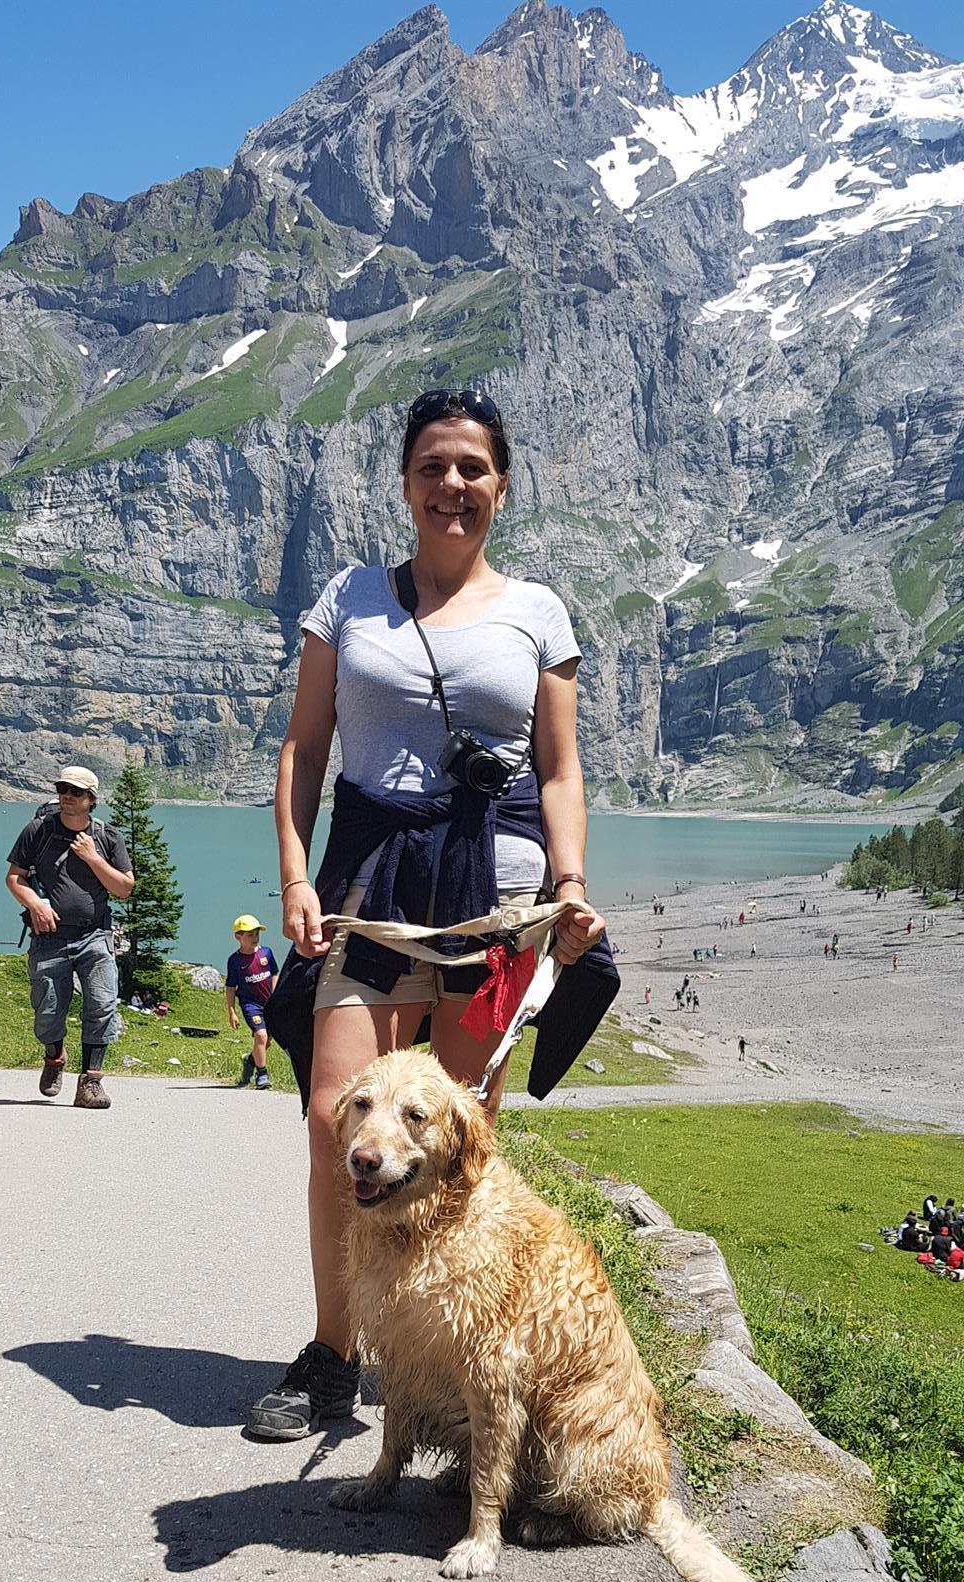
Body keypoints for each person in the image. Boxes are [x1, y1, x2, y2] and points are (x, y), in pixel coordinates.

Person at [249, 386, 609, 1441]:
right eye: (434, 466)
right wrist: (294, 873)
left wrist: (571, 885)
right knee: (336, 1118)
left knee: (455, 1142)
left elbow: (559, 768)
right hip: (369, 879)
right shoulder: (349, 597)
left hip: (494, 892)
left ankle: (440, 1366)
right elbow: (304, 747)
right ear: (405, 480)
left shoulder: (539, 612)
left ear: (501, 482)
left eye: (474, 468)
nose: (453, 485)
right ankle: (333, 1350)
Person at [6, 769, 134, 1109]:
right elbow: (14, 878)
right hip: (49, 937)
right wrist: (34, 903)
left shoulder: (107, 837)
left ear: (91, 799)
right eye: (62, 789)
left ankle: (90, 1081)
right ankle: (54, 1055)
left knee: (103, 1004)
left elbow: (124, 888)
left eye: (75, 791)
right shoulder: (38, 831)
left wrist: (92, 857)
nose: (66, 795)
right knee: (48, 1010)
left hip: (95, 934)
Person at [225, 915, 277, 1090]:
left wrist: (276, 995)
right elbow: (231, 987)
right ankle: (262, 1074)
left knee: (267, 1041)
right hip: (250, 1004)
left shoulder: (266, 953)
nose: (255, 938)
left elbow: (274, 973)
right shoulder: (235, 960)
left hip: (269, 1003)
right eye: (249, 935)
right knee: (260, 1036)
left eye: (256, 934)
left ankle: (250, 1060)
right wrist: (231, 1011)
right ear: (238, 937)